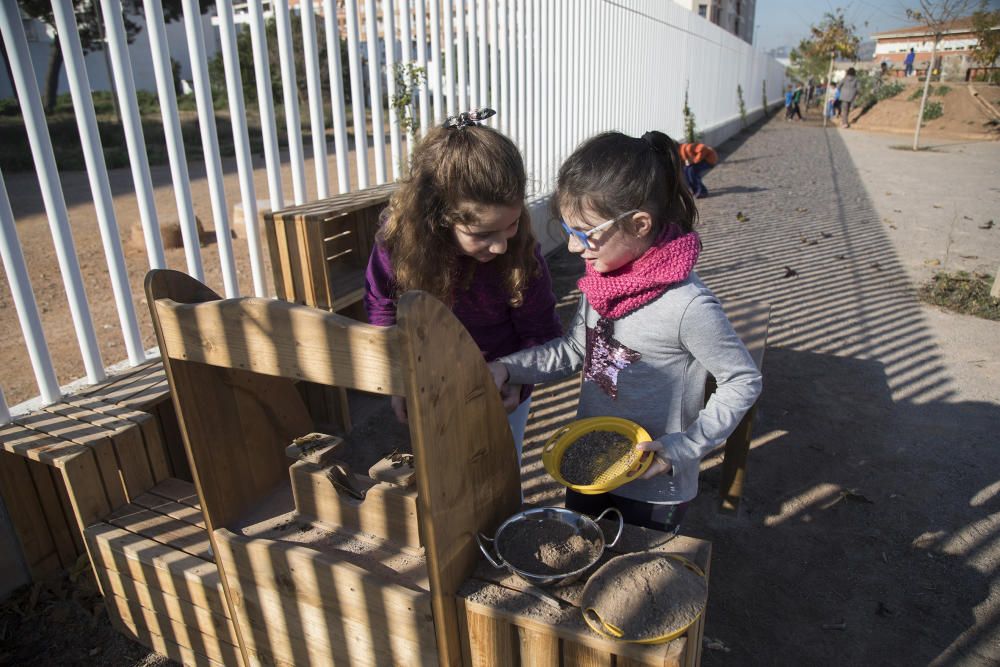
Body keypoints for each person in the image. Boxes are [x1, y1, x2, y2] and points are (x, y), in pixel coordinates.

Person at [488, 131, 762, 534]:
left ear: (638, 224)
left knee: (634, 576)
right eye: (568, 231)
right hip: (588, 466)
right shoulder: (601, 283)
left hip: (654, 486)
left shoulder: (687, 306)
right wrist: (507, 369)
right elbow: (572, 351)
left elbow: (742, 380)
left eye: (584, 233)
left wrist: (685, 447)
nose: (572, 248)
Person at [364, 107, 562, 470]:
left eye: (512, 225)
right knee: (442, 474)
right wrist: (396, 378)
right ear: (438, 217)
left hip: (502, 380)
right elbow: (382, 307)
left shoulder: (520, 253)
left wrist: (519, 381)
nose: (502, 245)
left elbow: (542, 331)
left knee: (499, 471)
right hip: (429, 378)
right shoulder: (399, 243)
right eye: (483, 234)